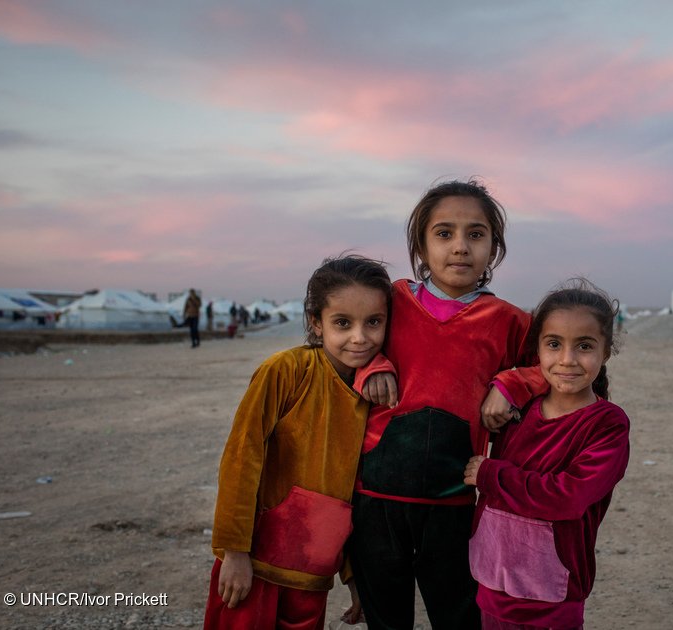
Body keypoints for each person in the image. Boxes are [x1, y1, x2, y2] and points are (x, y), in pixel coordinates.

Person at [350, 179, 532, 630]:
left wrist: (510, 383)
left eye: (476, 234)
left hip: (454, 500)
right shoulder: (391, 301)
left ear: (494, 248)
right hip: (375, 496)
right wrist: (373, 366)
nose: (460, 246)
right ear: (421, 245)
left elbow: (549, 369)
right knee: (386, 618)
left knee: (459, 616)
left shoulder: (509, 321)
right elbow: (350, 342)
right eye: (444, 233)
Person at [204, 255, 393, 630]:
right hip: (256, 564)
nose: (359, 337)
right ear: (316, 323)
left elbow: (352, 494)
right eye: (343, 323)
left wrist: (352, 576)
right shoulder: (286, 371)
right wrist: (234, 551)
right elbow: (242, 457)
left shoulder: (376, 393)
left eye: (373, 322)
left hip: (312, 575)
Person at [464, 281, 631, 630]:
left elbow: (567, 497)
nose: (567, 359)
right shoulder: (518, 409)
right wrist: (504, 385)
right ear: (537, 350)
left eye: (584, 346)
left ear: (605, 352)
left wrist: (490, 475)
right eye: (554, 344)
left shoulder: (606, 424)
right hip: (492, 583)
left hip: (552, 600)